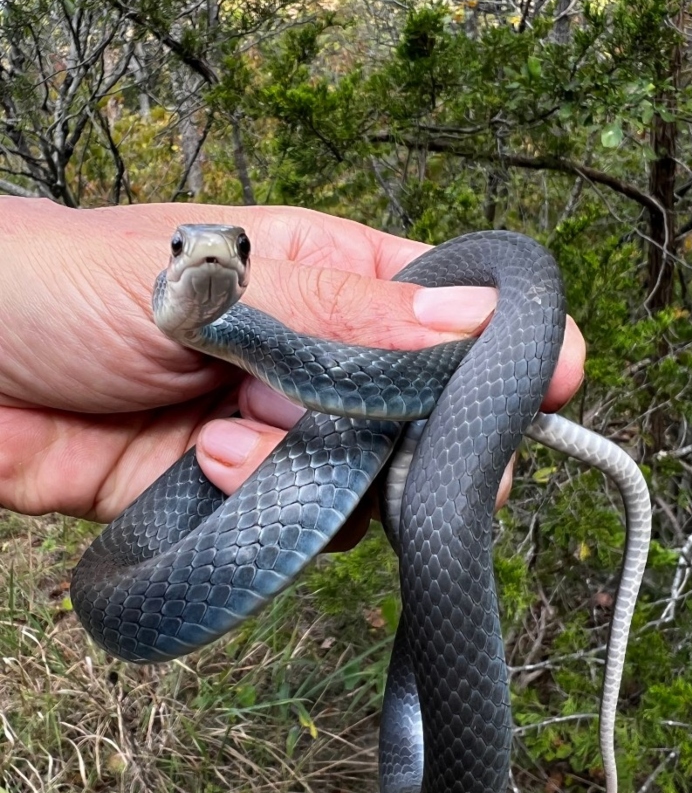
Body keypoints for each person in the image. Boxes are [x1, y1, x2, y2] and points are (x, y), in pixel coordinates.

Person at [0, 197, 585, 546]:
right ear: (171, 260)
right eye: (181, 247)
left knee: (438, 536)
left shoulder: (260, 331)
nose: (211, 251)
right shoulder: (167, 316)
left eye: (238, 248)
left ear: (246, 264)